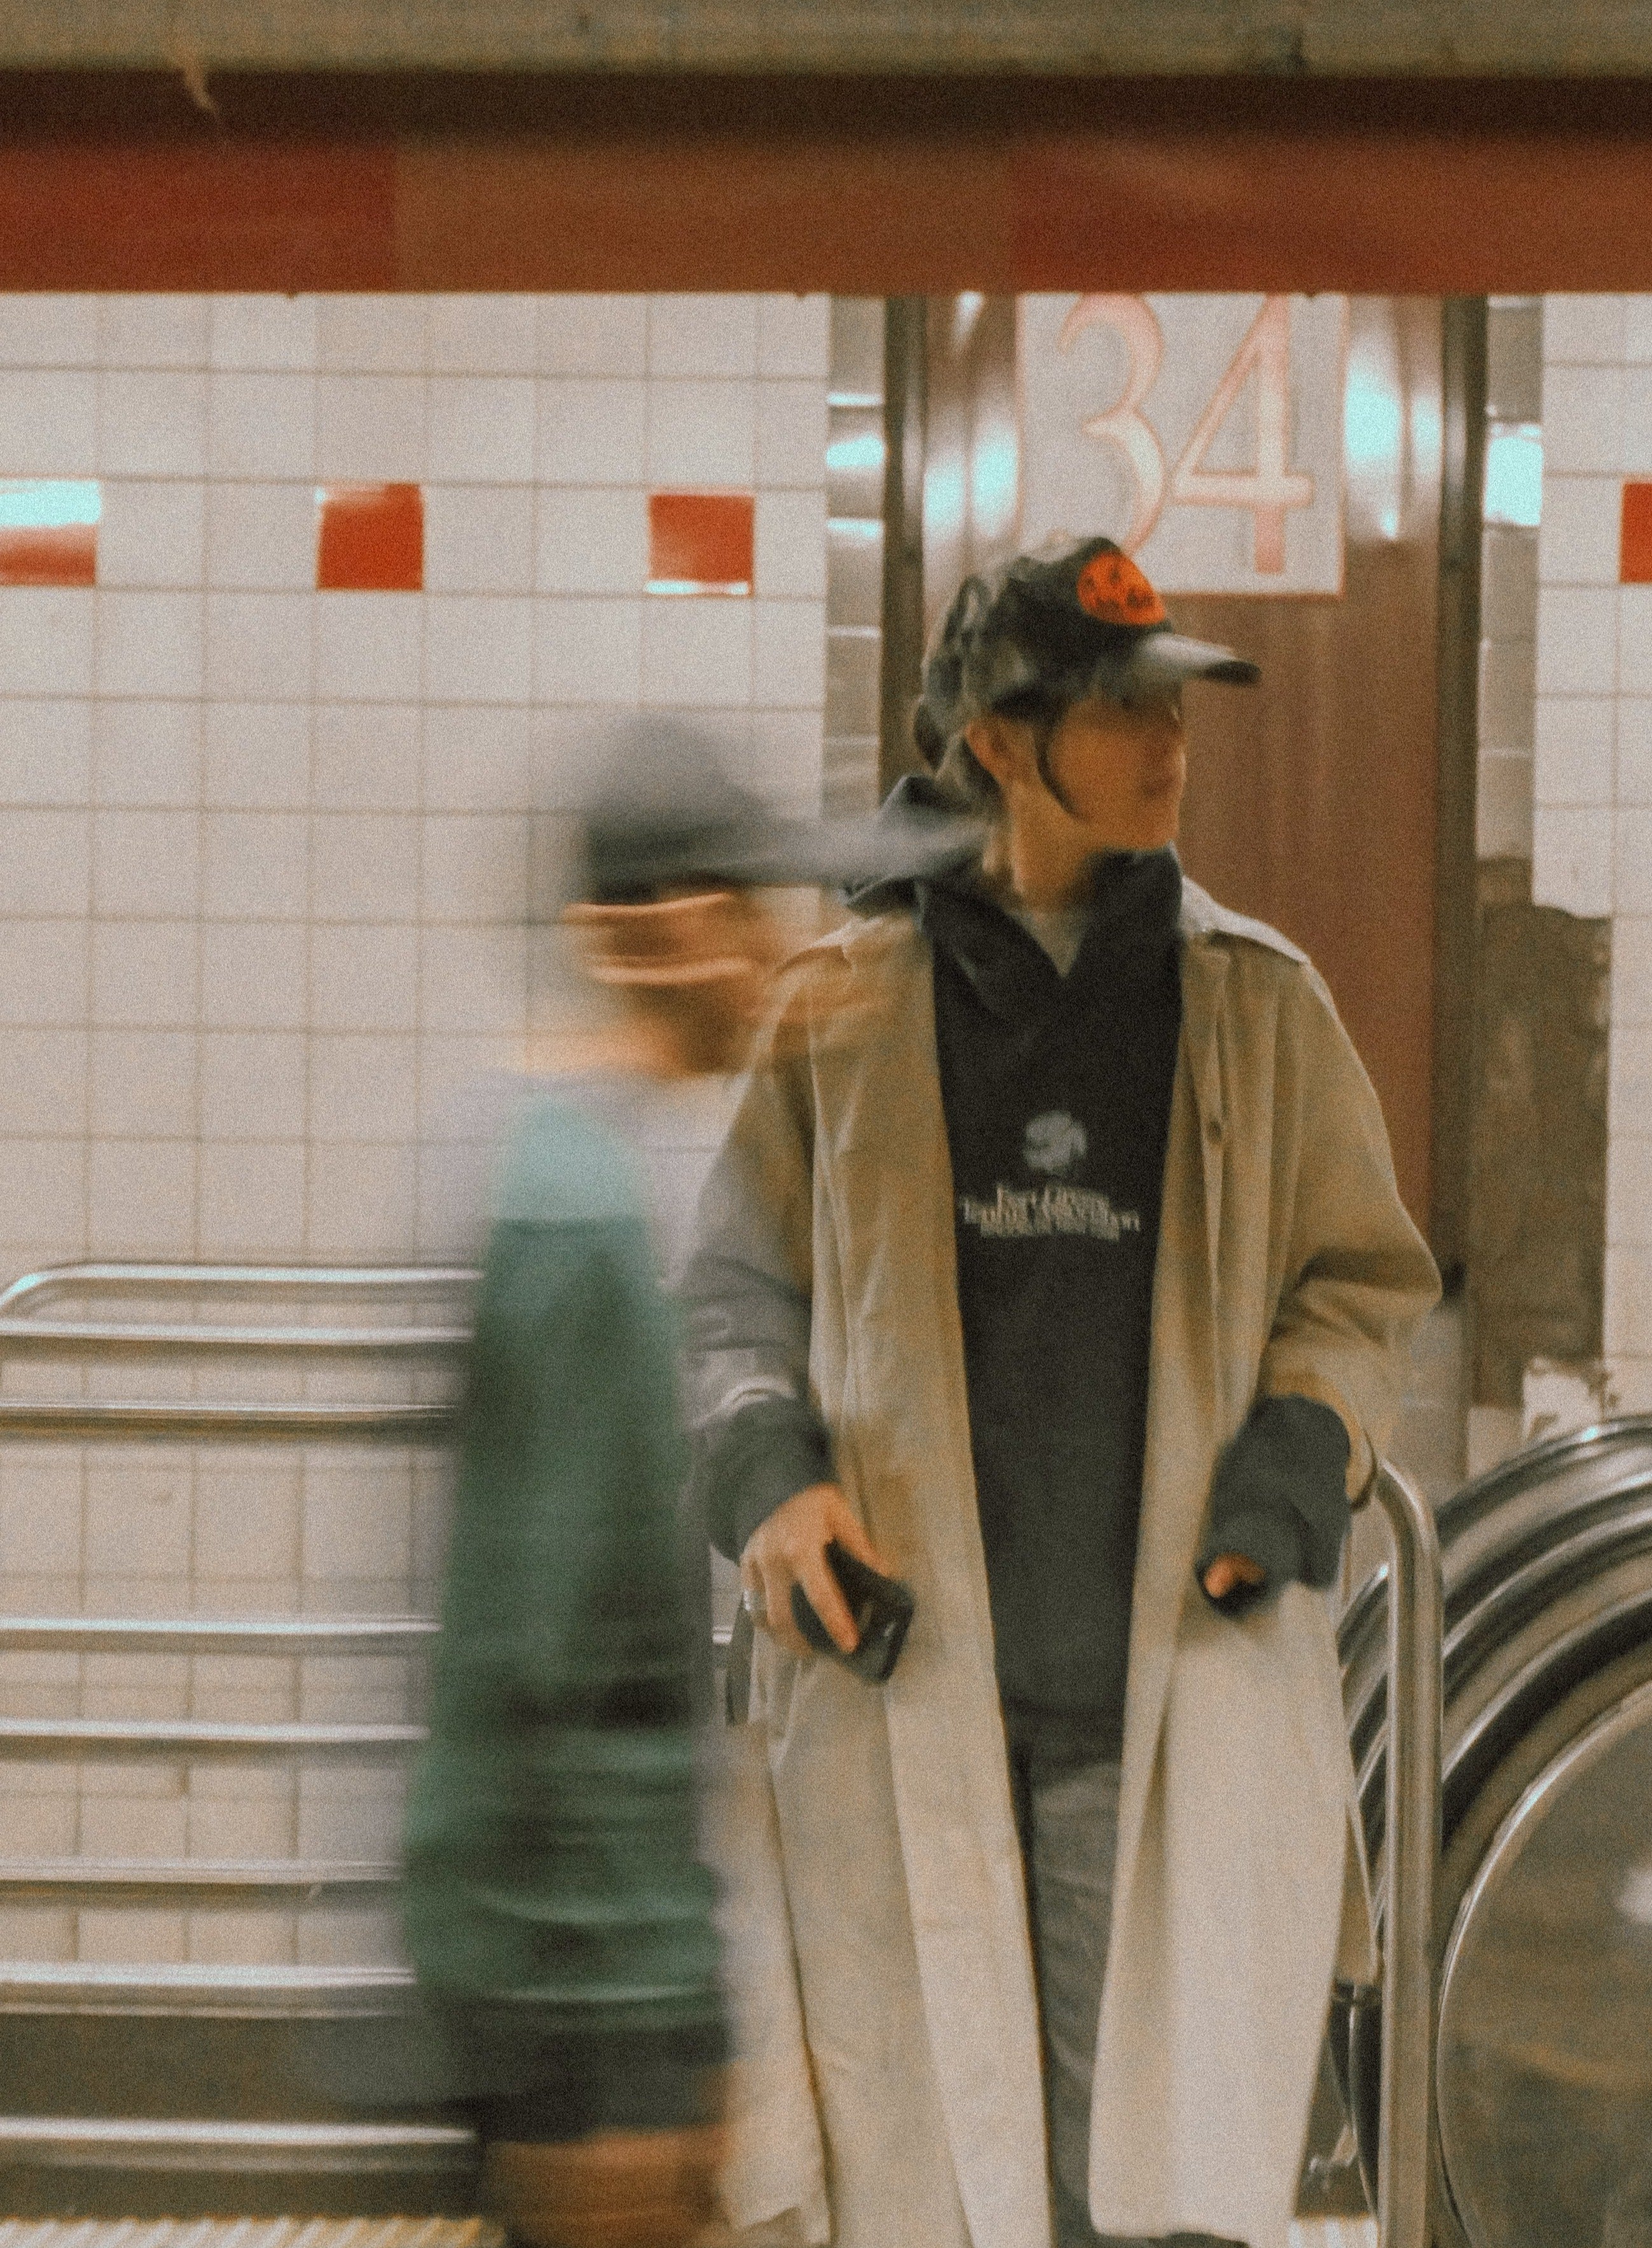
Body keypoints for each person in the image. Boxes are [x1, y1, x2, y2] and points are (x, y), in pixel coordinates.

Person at [682, 538, 1441, 2248]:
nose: (1169, 741)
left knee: (1131, 2185)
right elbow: (731, 1292)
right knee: (924, 2184)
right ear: (1002, 744)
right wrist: (769, 1477)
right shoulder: (843, 1005)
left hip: (1153, 1692)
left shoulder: (1254, 1002)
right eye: (1118, 708)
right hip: (903, 1687)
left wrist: (1296, 1454)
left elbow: (1359, 1280)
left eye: (1173, 705)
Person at [401, 721, 963, 2248]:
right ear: (667, 933)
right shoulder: (578, 1210)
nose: (780, 956)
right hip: (579, 1955)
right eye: (755, 916)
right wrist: (656, 1984)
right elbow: (569, 1657)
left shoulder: (557, 1156)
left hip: (562, 1933)